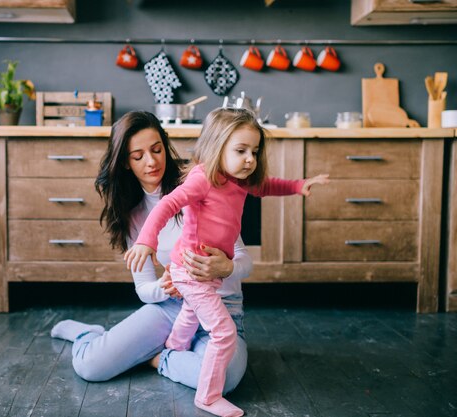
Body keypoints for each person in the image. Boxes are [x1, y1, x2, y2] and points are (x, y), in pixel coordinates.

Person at [125, 107, 329, 417]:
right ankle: (207, 398)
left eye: (255, 151)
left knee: (190, 315)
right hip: (191, 273)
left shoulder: (239, 181)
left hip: (203, 275)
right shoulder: (202, 180)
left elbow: (268, 185)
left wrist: (299, 186)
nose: (251, 159)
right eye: (241, 150)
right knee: (224, 333)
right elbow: (168, 204)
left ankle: (173, 351)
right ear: (217, 147)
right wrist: (146, 240)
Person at [50, 110, 252, 396]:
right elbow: (144, 289)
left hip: (223, 311)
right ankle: (88, 335)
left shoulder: (198, 185)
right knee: (89, 366)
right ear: (125, 163)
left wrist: (226, 267)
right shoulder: (134, 216)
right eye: (138, 156)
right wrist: (164, 287)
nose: (151, 161)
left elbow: (244, 259)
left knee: (224, 380)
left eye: (157, 150)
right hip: (171, 309)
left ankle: (155, 358)